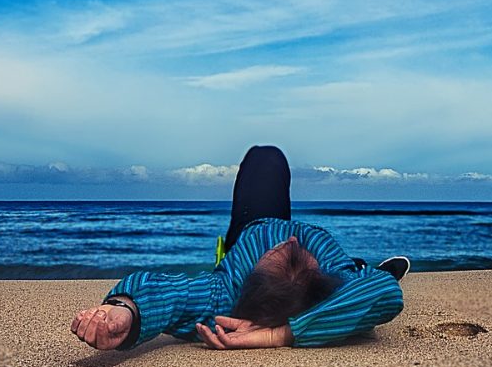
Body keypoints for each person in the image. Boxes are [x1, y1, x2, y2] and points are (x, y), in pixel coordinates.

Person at [70, 145, 409, 351]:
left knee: (264, 159)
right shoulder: (327, 271)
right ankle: (367, 268)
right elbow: (383, 294)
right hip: (334, 272)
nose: (291, 240)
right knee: (364, 277)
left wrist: (126, 312)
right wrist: (288, 330)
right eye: (296, 254)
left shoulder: (224, 297)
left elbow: (172, 294)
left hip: (246, 233)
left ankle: (229, 251)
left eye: (281, 256)